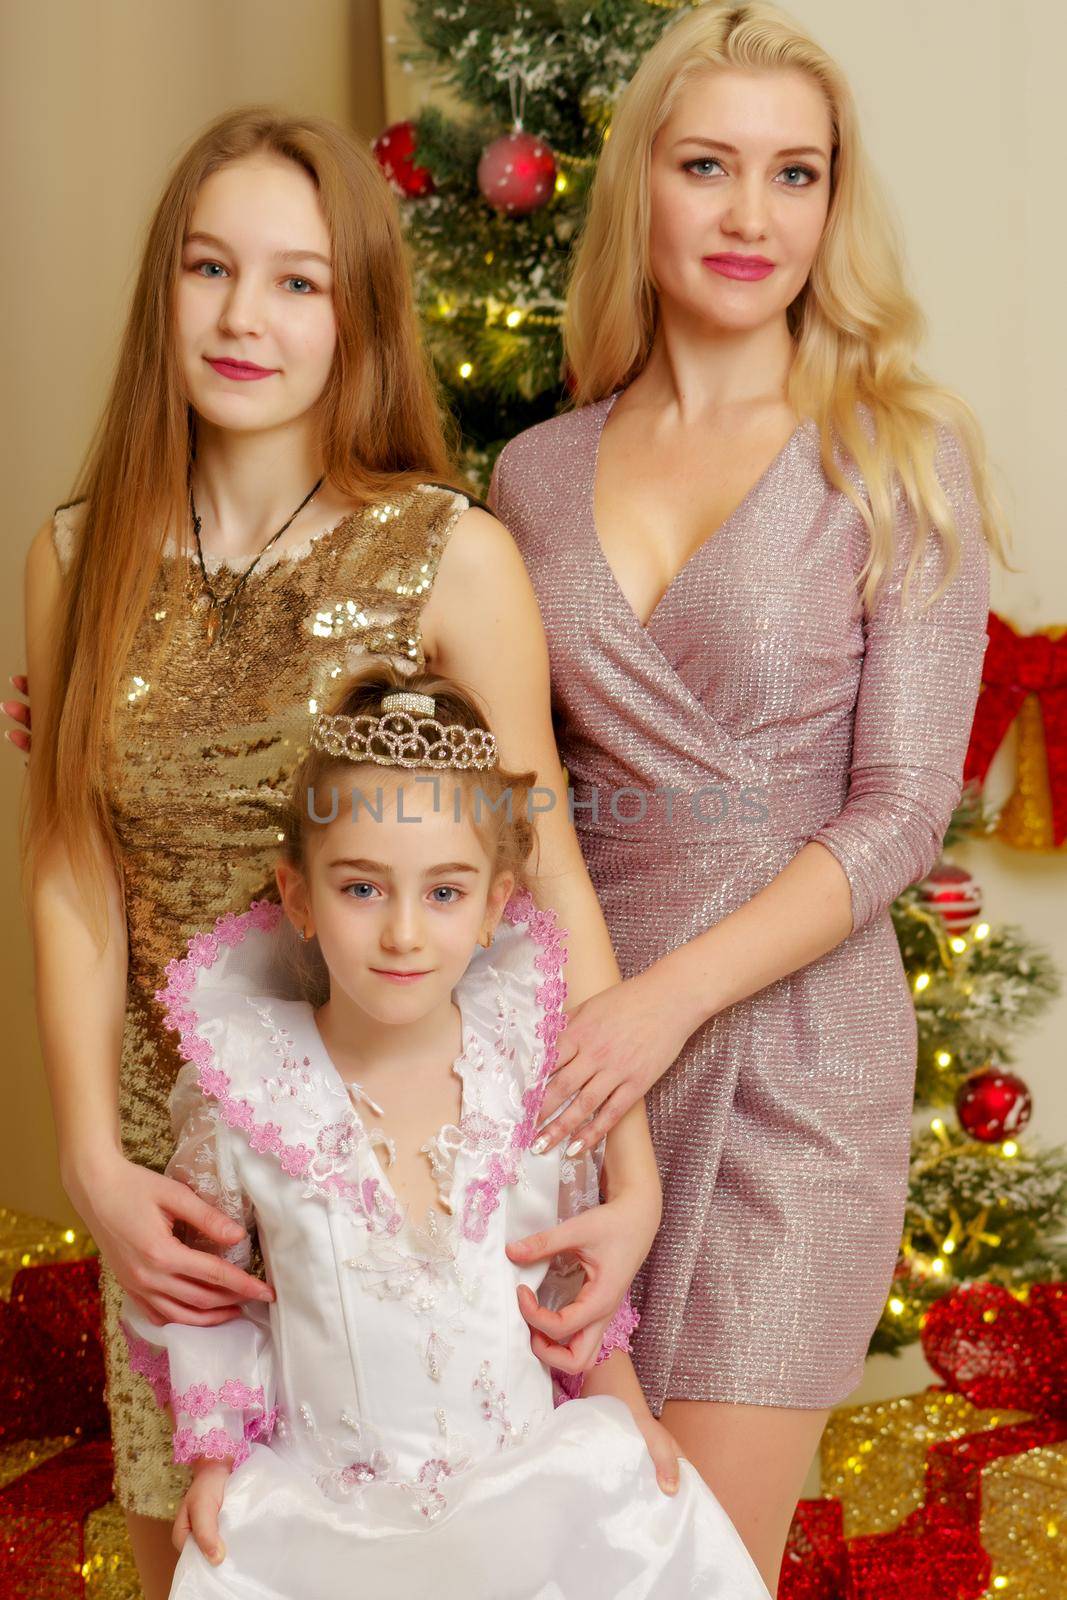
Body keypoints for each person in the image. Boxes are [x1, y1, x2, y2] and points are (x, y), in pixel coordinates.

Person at [17, 107, 658, 1599]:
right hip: (190, 1198)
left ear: (357, 312)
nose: (245, 317)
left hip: (406, 1183)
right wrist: (92, 1162)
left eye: (297, 281)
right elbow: (67, 869)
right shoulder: (73, 553)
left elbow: (539, 877)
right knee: (216, 1556)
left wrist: (624, 1173)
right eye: (208, 268)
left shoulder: (448, 554)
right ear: (160, 292)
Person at [486, 3, 1003, 1590]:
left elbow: (901, 809)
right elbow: (487, 771)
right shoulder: (531, 473)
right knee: (556, 1544)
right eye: (707, 166)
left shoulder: (894, 453)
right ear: (642, 182)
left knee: (695, 1562)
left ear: (830, 208)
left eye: (794, 175)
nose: (747, 215)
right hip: (570, 1055)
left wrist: (669, 1003)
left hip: (790, 1063)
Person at [119, 665, 771, 1599]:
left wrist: (627, 1417)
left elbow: (571, 1277)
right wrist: (216, 1462)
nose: (402, 935)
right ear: (296, 896)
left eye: (442, 893)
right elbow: (212, 1301)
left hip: (533, 1502)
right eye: (360, 890)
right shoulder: (245, 1095)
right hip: (325, 1527)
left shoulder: (529, 1075)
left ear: (495, 904)